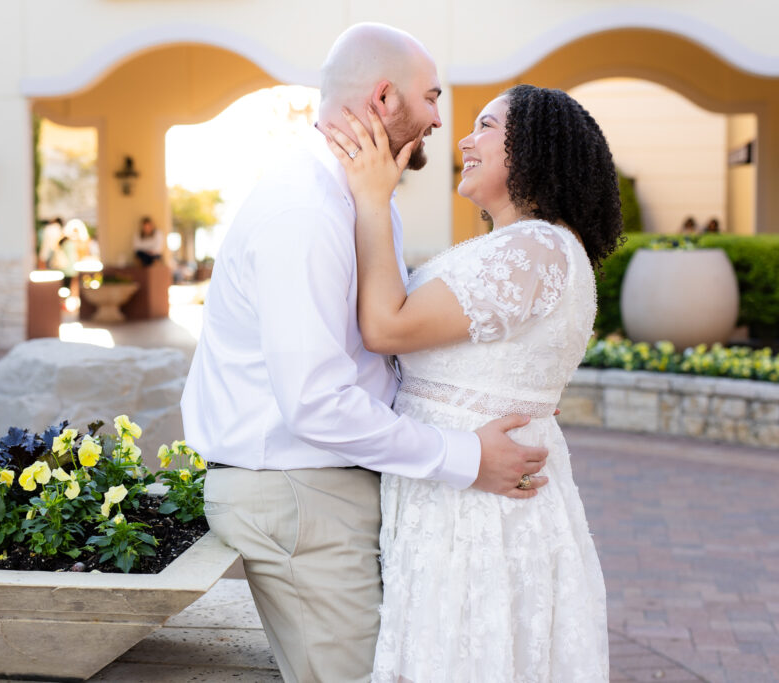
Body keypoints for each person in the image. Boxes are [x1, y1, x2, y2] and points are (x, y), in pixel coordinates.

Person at [180, 23, 550, 683]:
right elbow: (316, 403)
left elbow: (381, 343)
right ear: (384, 99)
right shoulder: (308, 209)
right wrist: (466, 458)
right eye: (432, 97)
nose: (442, 119)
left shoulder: (358, 196)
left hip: (321, 486)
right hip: (301, 491)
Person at [325, 84, 620, 681]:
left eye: (486, 126)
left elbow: (386, 325)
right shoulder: (529, 245)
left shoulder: (534, 246)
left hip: (476, 504)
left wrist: (372, 196)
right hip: (465, 485)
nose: (464, 138)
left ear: (534, 149)